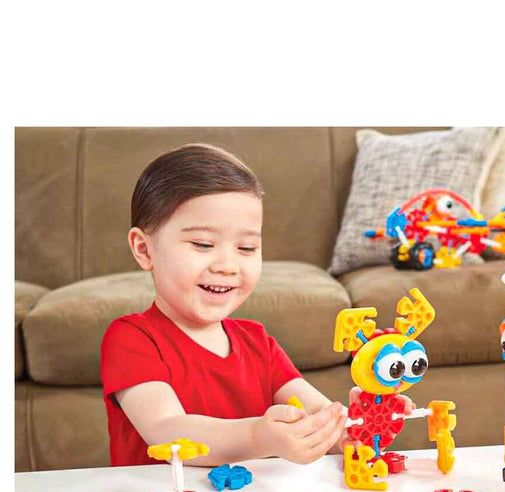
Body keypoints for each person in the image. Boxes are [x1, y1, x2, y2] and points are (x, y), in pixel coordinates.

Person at [101, 143, 353, 467]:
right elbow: (166, 430)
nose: (227, 266)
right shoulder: (132, 339)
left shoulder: (258, 342)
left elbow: (318, 414)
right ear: (144, 249)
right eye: (203, 244)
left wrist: (353, 426)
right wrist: (259, 437)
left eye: (246, 248)